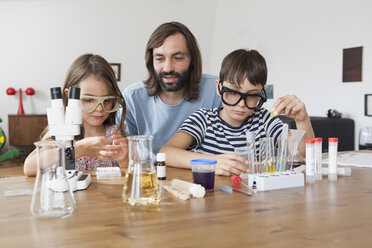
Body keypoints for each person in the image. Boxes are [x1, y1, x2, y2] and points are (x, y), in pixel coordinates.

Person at [160, 49, 315, 176]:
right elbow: (166, 153)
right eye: (233, 92)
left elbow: (304, 155)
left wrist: (302, 120)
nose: (241, 105)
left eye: (252, 95)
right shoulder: (203, 119)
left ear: (262, 92)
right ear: (219, 87)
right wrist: (212, 162)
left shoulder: (264, 120)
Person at [118, 22, 221, 156]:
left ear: (192, 60)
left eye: (178, 58)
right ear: (151, 62)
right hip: (149, 174)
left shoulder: (217, 90)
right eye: (160, 59)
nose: (168, 68)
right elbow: (123, 154)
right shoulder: (132, 97)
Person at [24, 54, 128, 176]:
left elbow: (128, 175)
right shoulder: (59, 133)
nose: (100, 109)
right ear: (70, 96)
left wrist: (123, 161)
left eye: (107, 100)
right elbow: (29, 168)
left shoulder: (115, 134)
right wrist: (78, 149)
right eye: (89, 100)